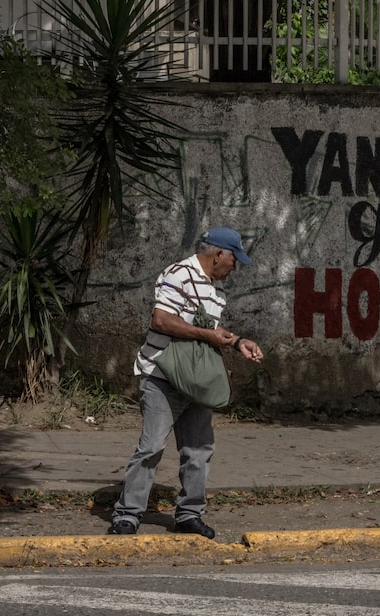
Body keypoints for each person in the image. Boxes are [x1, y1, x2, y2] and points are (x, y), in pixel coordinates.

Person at [109, 227, 264, 538]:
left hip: (197, 380)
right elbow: (162, 320)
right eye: (234, 260)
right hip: (162, 375)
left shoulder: (216, 290)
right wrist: (209, 335)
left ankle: (189, 516)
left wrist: (237, 342)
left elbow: (209, 327)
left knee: (198, 449)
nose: (236, 267)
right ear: (218, 254)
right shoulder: (178, 273)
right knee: (151, 447)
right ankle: (127, 516)